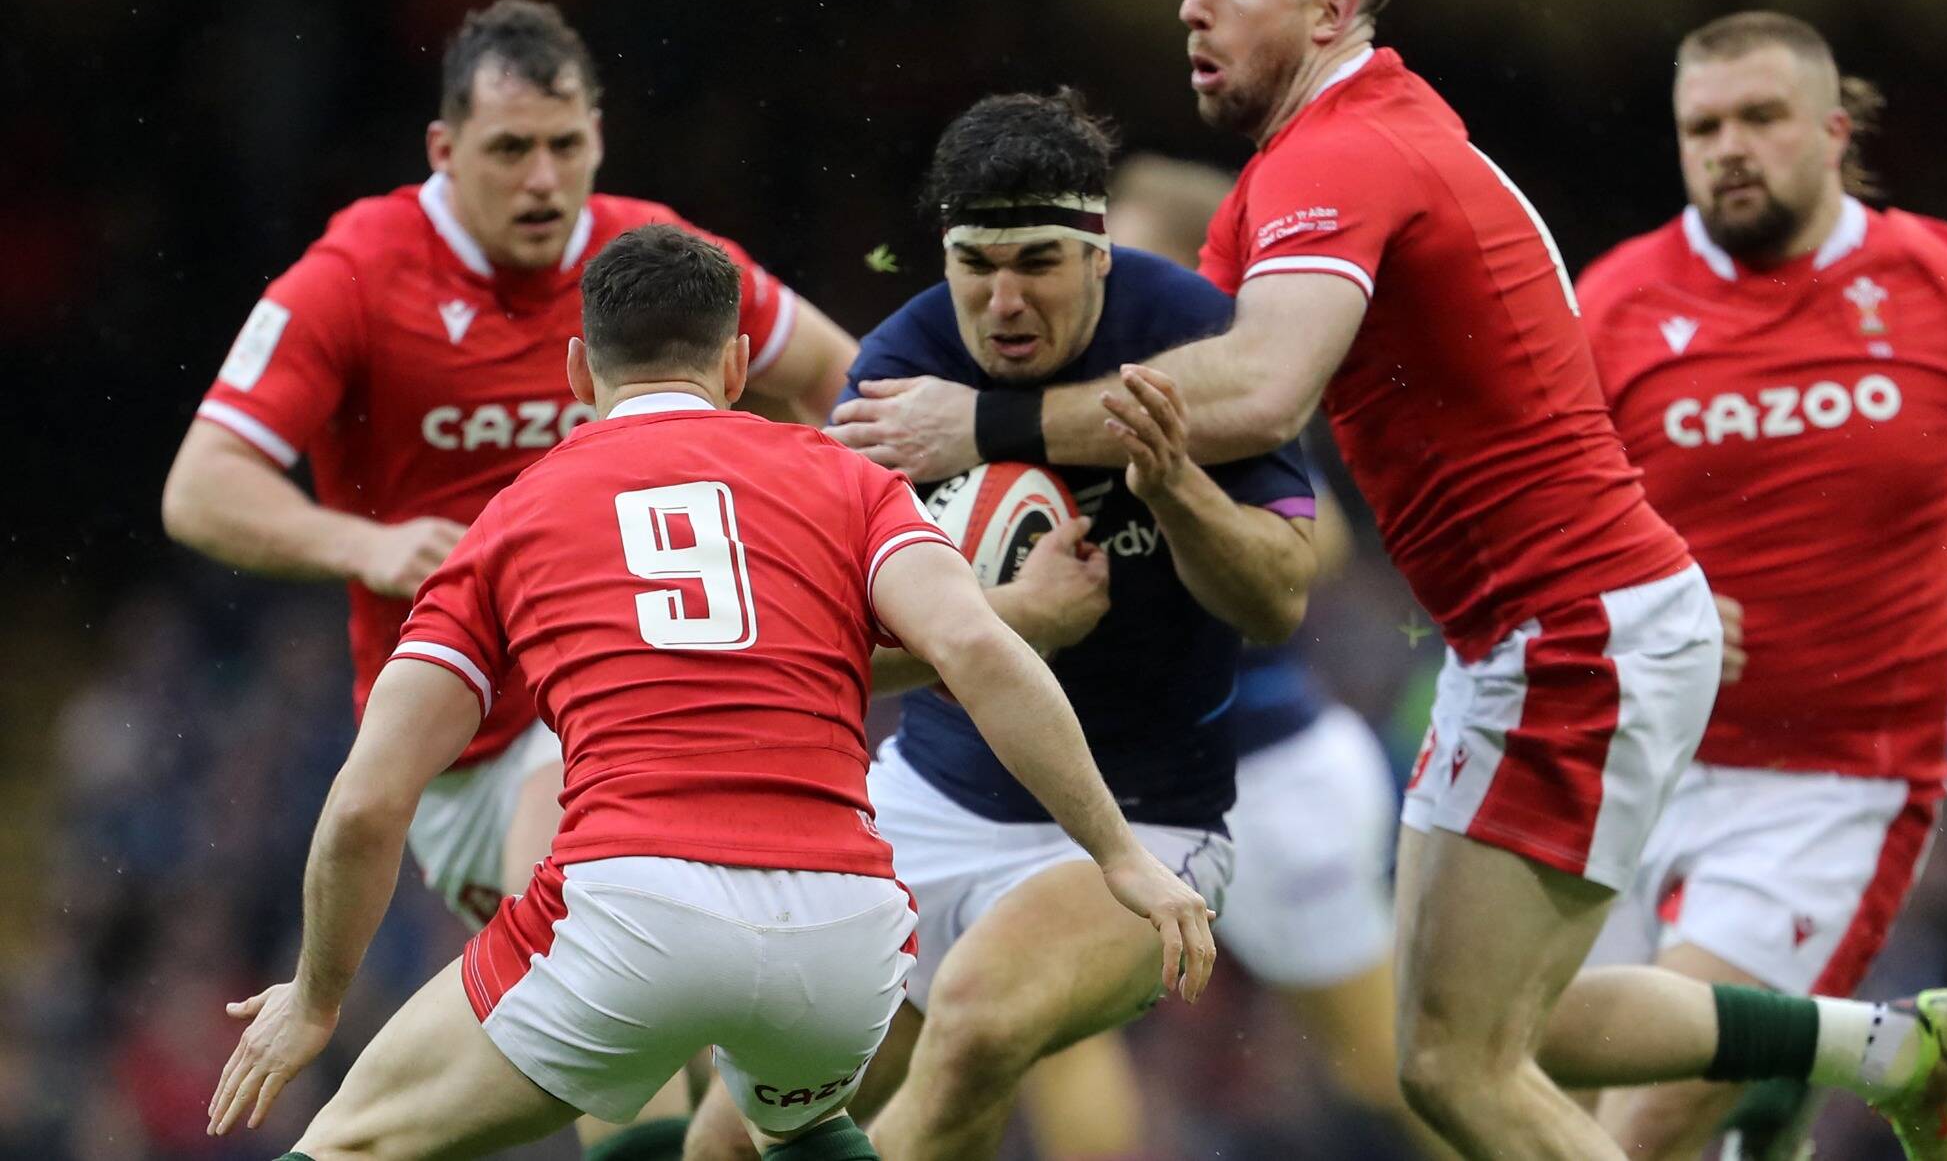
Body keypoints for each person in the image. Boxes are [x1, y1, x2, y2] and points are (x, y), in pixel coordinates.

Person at [825, 0, 1947, 1160]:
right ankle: (1885, 1047)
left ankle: (1867, 1055)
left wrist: (984, 424)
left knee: (1460, 1068)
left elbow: (1257, 390)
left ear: (1331, 10)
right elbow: (1187, 368)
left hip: (1571, 636)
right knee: (1460, 1044)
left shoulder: (1348, 152)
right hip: (1534, 640)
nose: (1192, 5)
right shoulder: (1304, 171)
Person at [203, 225, 1218, 1161]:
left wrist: (318, 997)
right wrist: (1119, 854)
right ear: (736, 366)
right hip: (845, 929)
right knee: (801, 1126)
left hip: (635, 905)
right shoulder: (847, 479)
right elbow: (977, 649)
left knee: (350, 1141)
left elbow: (369, 800)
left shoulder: (511, 521)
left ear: (578, 372)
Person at [164, 0, 857, 1157]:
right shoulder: (356, 273)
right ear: (444, 150)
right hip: (477, 744)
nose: (543, 180)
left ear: (599, 135)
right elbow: (201, 486)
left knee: (681, 1058)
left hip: (659, 697)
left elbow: (843, 378)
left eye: (565, 146)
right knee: (647, 1034)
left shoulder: (647, 263)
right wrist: (366, 544)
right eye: (508, 150)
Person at [687, 90, 1319, 1161]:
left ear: (1099, 252)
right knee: (730, 1139)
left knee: (978, 1022)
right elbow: (825, 657)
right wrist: (1013, 616)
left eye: (1037, 261)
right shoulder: (895, 376)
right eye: (976, 264)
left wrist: (1172, 487)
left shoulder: (1192, 333)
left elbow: (1279, 598)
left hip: (1149, 824)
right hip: (929, 802)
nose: (1004, 299)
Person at [1573, 10, 1947, 1160]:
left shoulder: (1943, 284)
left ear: (1831, 131)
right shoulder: (1610, 305)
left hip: (1830, 782)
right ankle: (1782, 1099)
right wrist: (1631, 604)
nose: (1728, 147)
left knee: (1644, 1123)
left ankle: (1820, 1071)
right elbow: (1532, 538)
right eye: (1701, 127)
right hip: (1624, 759)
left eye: (1758, 117)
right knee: (1526, 1098)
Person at [1016, 153, 1445, 1160]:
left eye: (1124, 258)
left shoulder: (1223, 406)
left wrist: (1175, 494)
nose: (1096, 280)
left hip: (1263, 766)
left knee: (1392, 1068)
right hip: (1105, 780)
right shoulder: (1046, 392)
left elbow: (1316, 554)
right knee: (1038, 1029)